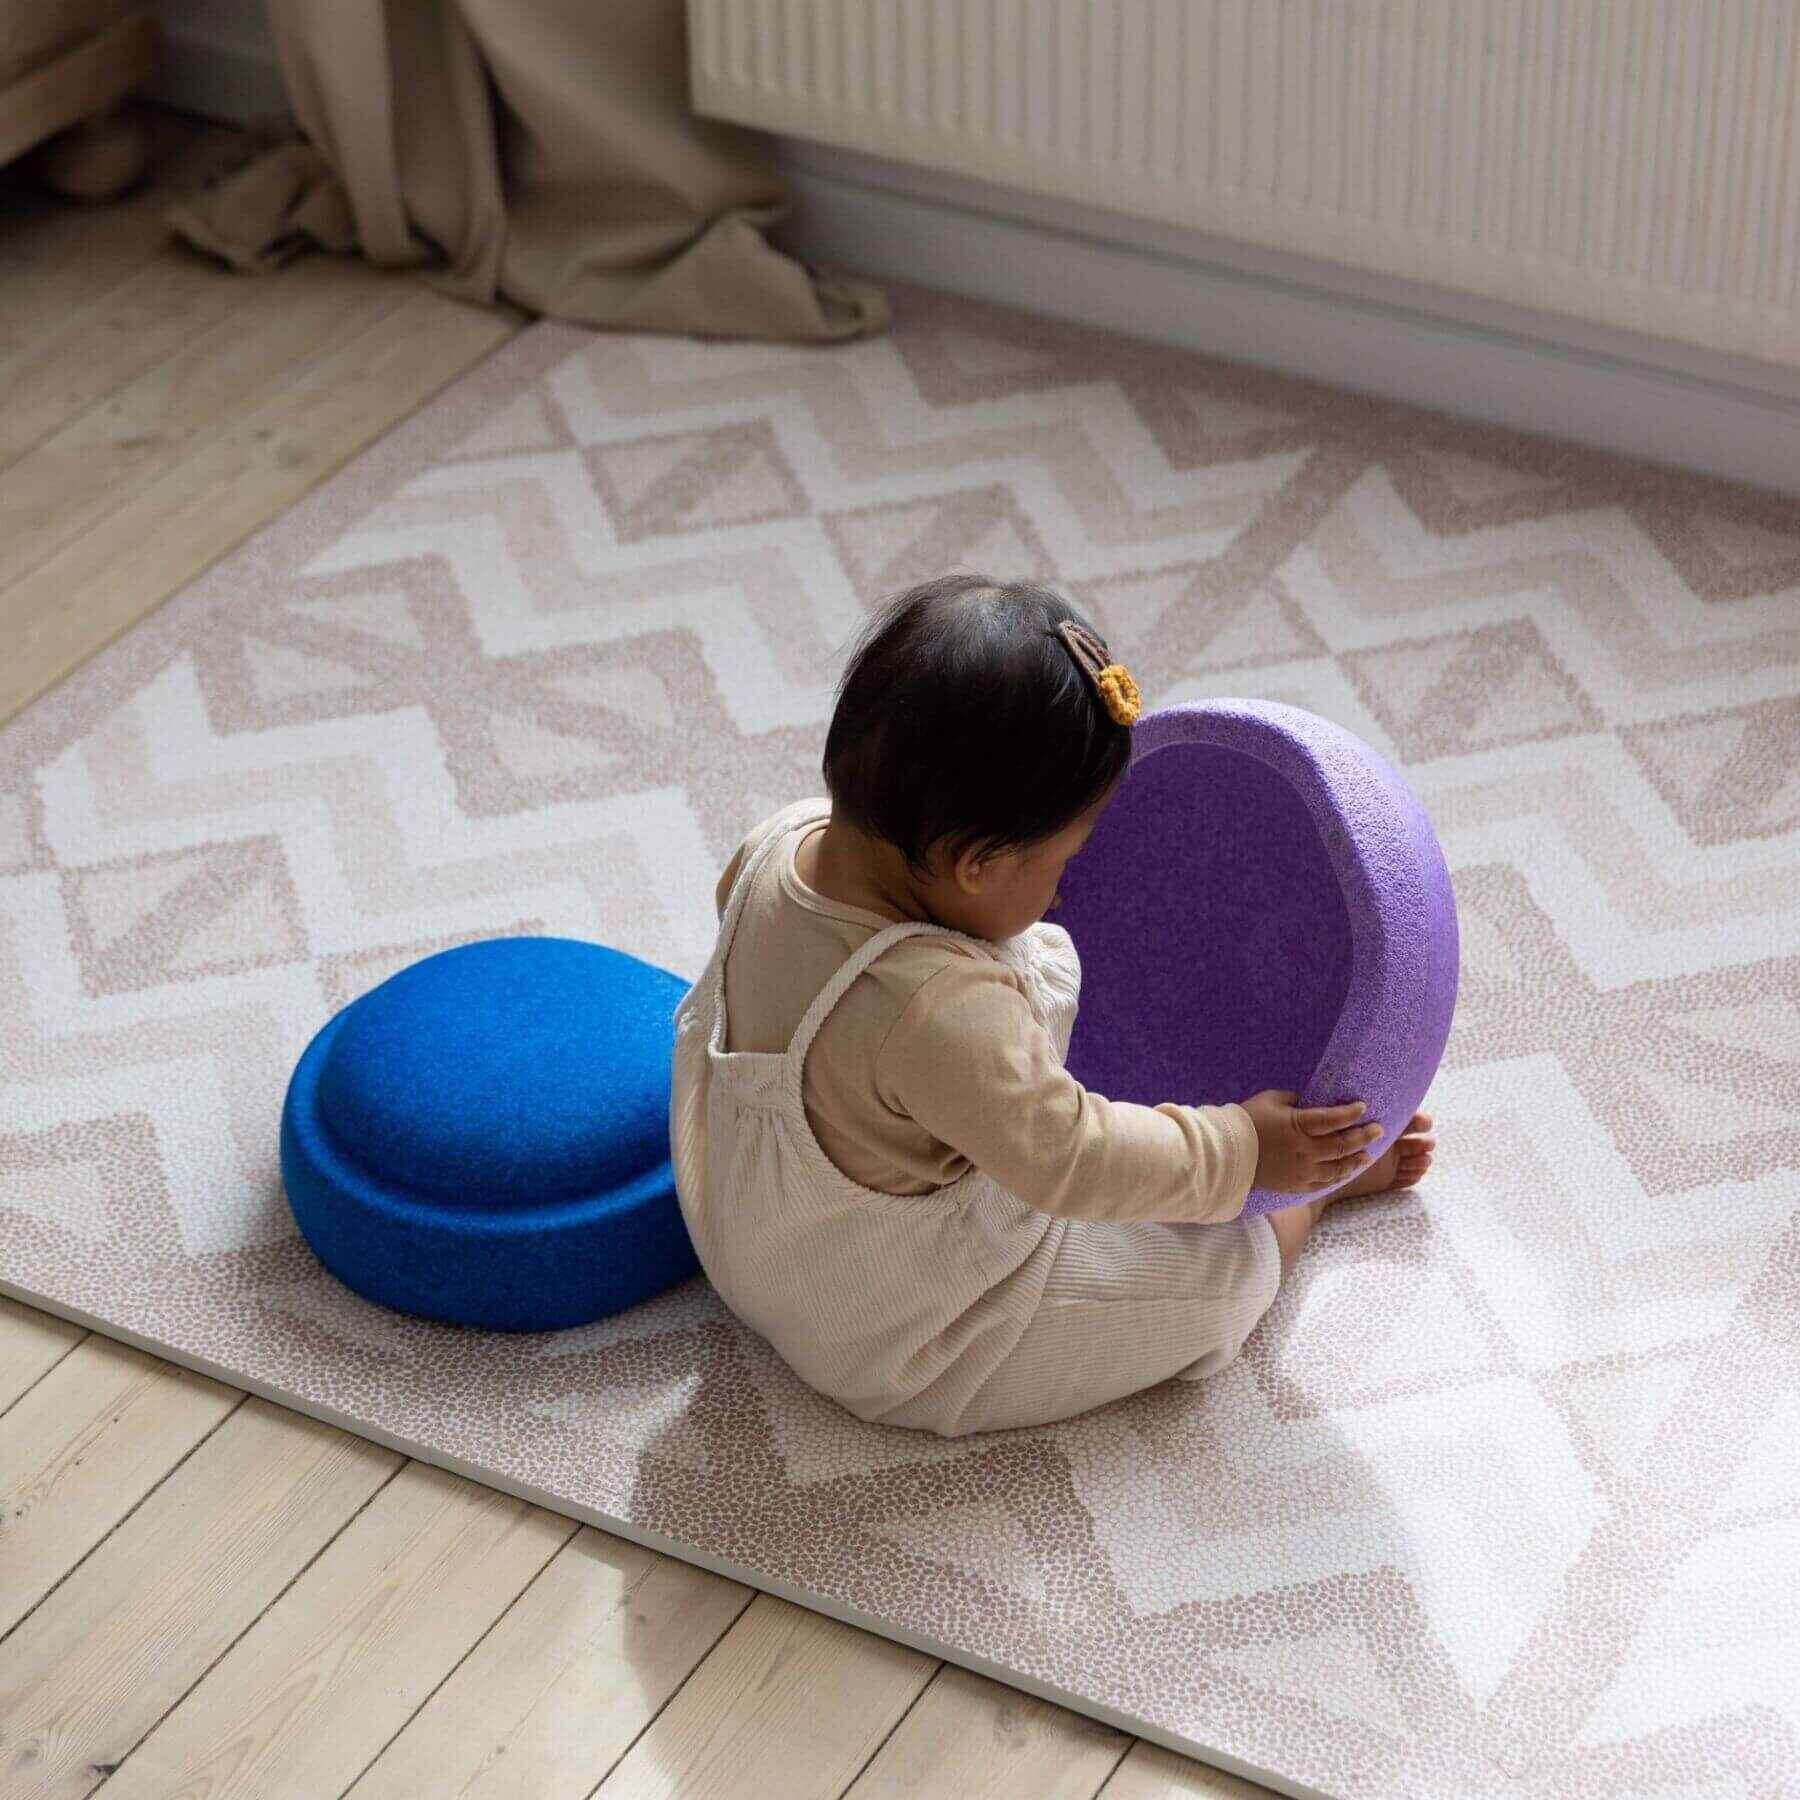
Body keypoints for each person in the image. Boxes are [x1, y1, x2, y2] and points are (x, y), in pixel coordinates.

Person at [670, 575, 1435, 1436]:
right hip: (905, 1339)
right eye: (1063, 863)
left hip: (751, 1246)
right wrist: (1244, 1148)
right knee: (1214, 1286)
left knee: (983, 1028)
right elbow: (1072, 1160)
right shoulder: (934, 1010)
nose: (1070, 893)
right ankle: (1311, 1198)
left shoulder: (781, 841)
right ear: (978, 863)